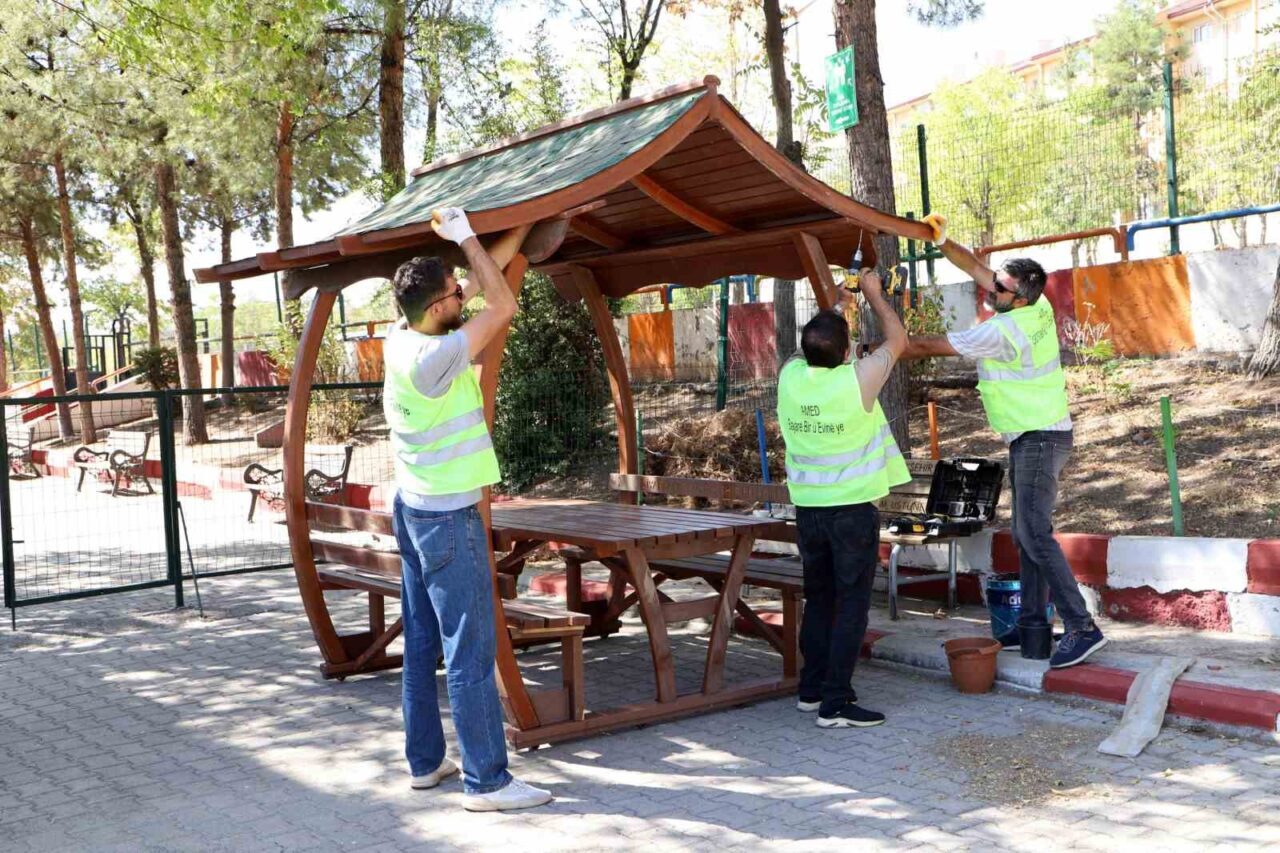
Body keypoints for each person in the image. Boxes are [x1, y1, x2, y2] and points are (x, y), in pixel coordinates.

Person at [383, 207, 552, 811]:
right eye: (455, 293)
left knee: (424, 641)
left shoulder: (401, 335)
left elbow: (483, 280)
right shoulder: (436, 359)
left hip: (412, 509)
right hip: (448, 519)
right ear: (439, 310)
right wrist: (463, 237)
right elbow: (503, 305)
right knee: (470, 651)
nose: (465, 293)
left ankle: (426, 763)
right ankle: (488, 781)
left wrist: (518, 233)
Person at [895, 213, 1107, 669]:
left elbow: (924, 347)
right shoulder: (1036, 304)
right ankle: (1031, 626)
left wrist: (884, 341)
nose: (990, 291)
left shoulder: (1003, 331)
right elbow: (975, 267)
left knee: (1033, 533)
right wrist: (941, 239)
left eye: (999, 289)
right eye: (996, 283)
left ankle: (1082, 627)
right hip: (1039, 435)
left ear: (1020, 295)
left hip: (1040, 437)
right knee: (1028, 534)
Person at [777, 269, 910, 728]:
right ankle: (837, 702)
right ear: (848, 351)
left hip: (809, 511)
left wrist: (840, 301)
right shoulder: (859, 380)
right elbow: (898, 338)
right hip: (851, 512)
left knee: (820, 599)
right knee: (851, 604)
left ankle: (811, 691)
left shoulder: (790, 377)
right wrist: (871, 294)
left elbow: (816, 341)